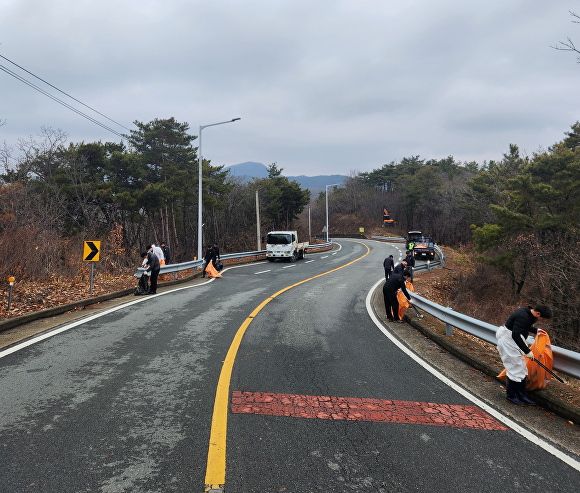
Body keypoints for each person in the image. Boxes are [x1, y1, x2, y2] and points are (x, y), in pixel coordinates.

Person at [496, 305, 552, 405]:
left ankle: (521, 395)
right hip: (508, 341)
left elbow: (522, 326)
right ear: (538, 313)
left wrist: (536, 330)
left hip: (512, 341)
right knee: (515, 368)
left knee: (520, 368)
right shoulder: (523, 316)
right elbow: (515, 334)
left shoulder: (528, 314)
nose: (540, 320)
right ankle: (511, 396)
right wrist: (527, 351)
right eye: (542, 318)